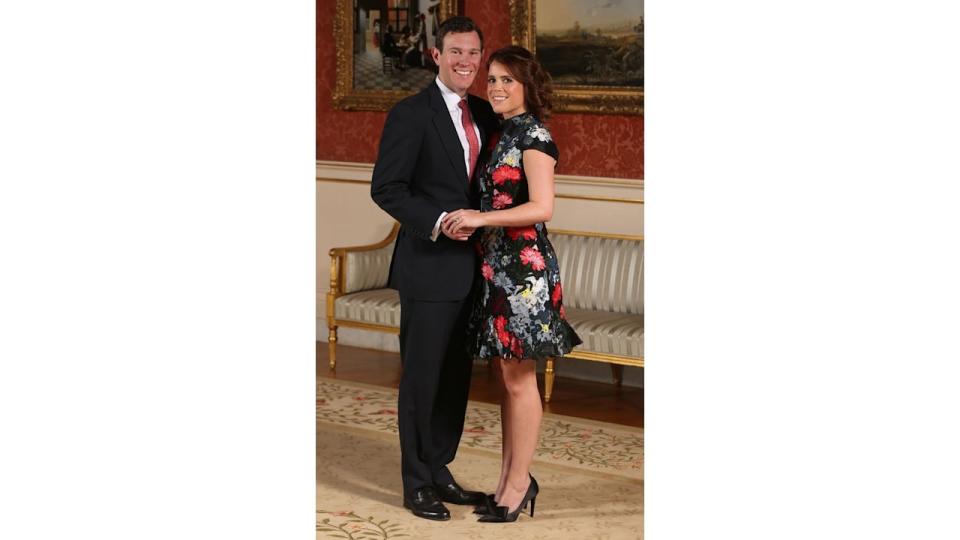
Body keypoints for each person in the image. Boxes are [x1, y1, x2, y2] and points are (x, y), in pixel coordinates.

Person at [442, 45, 582, 523]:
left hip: (525, 274)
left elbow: (543, 207)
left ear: (527, 87)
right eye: (493, 79)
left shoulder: (535, 134)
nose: (496, 87)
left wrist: (480, 218)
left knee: (519, 380)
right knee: (508, 379)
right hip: (496, 268)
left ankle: (519, 483)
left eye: (507, 80)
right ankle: (508, 480)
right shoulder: (504, 131)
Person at [370, 16, 500, 522]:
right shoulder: (409, 114)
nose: (466, 61)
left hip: (477, 271)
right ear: (435, 55)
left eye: (473, 53)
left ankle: (440, 467)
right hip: (429, 267)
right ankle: (416, 482)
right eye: (456, 52)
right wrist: (440, 221)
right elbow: (388, 188)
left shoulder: (488, 114)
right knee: (422, 379)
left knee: (454, 379)